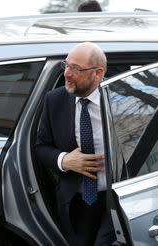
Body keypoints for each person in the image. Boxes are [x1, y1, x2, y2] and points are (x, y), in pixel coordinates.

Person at [35, 42, 116, 246]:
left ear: (97, 74)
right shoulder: (54, 100)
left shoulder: (119, 97)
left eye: (76, 69)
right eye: (66, 65)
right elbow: (41, 146)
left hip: (117, 197)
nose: (67, 74)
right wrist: (64, 160)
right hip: (77, 201)